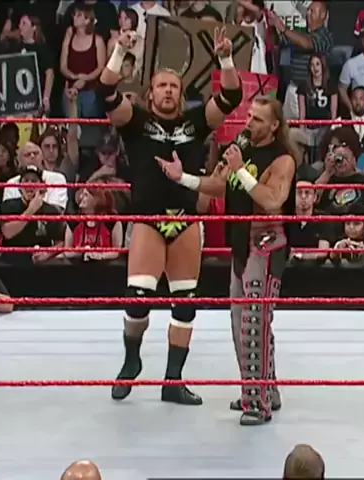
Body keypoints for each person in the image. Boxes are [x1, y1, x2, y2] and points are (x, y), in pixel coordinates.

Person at [96, 27, 242, 405]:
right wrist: (119, 52)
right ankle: (131, 361)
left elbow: (232, 96)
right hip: (149, 218)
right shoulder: (136, 122)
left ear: (180, 93)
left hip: (186, 221)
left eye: (173, 87)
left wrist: (226, 58)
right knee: (137, 298)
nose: (167, 91)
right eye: (161, 85)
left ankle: (173, 381)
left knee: (185, 302)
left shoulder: (194, 123)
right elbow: (105, 91)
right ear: (150, 93)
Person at [158, 97, 297, 425]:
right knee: (241, 324)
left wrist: (240, 171)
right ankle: (266, 390)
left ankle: (257, 403)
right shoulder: (241, 150)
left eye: (258, 119)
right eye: (249, 116)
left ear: (274, 126)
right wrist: (183, 178)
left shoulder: (283, 159)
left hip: (266, 244)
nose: (250, 123)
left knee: (254, 323)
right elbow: (217, 188)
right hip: (240, 244)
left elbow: (273, 200)